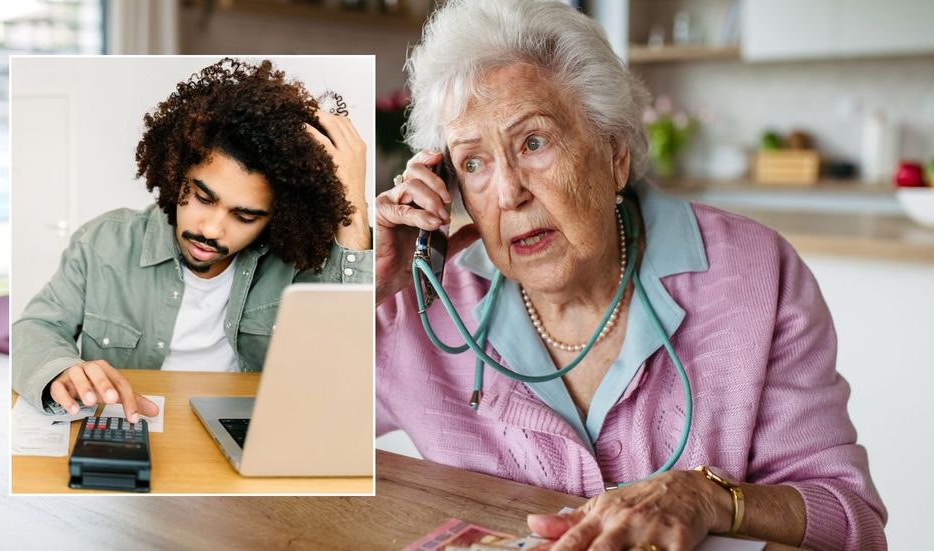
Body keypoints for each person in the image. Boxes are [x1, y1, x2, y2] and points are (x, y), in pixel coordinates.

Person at [374, 1, 885, 549]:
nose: (508, 194)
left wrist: (708, 498)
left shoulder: (755, 274)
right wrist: (360, 285)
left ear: (614, 154)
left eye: (534, 142)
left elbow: (851, 524)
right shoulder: (415, 299)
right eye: (473, 163)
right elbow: (275, 448)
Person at [13, 58, 372, 423]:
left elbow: (345, 368)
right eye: (203, 197)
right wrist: (59, 370)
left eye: (245, 216)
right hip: (133, 437)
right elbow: (36, 329)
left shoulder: (298, 266)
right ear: (176, 173)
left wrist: (354, 209)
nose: (213, 229)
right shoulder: (103, 243)